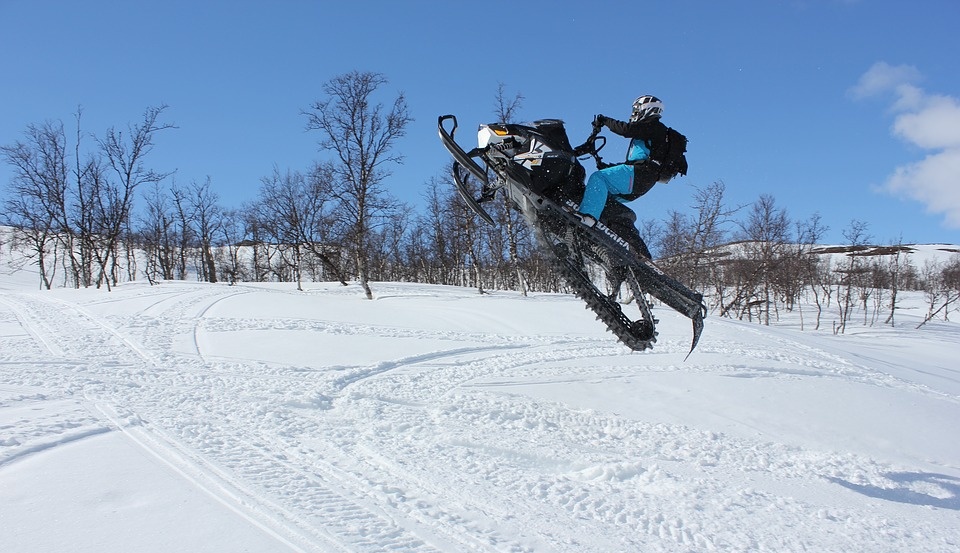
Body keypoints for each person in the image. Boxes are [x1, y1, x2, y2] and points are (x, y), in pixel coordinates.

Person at [573, 95, 680, 232]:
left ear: (646, 109)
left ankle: (587, 219)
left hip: (640, 175)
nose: (633, 114)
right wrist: (609, 167)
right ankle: (603, 231)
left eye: (636, 110)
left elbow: (626, 130)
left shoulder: (653, 126)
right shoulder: (656, 133)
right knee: (598, 194)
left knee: (598, 178)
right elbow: (639, 160)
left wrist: (604, 120)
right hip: (643, 182)